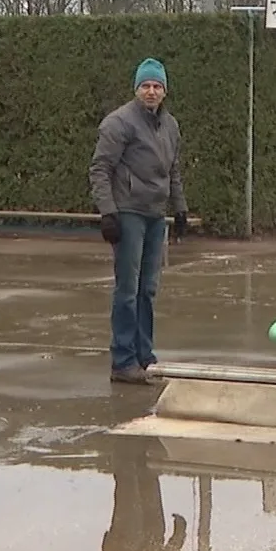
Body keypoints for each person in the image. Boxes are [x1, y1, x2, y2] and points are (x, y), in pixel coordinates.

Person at [90, 57, 190, 384]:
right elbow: (100, 169)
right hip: (129, 212)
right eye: (145, 85)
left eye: (157, 86)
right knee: (128, 289)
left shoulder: (170, 126)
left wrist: (180, 207)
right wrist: (108, 212)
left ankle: (145, 355)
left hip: (155, 215)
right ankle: (123, 359)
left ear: (164, 91)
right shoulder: (118, 123)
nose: (151, 91)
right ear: (137, 88)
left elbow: (173, 169)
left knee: (148, 289)